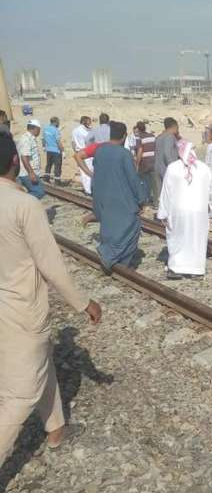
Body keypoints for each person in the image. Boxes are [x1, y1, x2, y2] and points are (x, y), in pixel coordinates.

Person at [0, 133, 102, 470]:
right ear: (15, 161)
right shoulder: (25, 205)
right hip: (21, 308)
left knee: (42, 361)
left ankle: (56, 427)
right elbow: (51, 264)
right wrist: (83, 302)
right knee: (20, 396)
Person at [157, 138, 212, 279]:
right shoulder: (204, 168)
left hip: (178, 212)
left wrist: (162, 213)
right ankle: (196, 269)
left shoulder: (172, 168)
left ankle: (176, 268)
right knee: (197, 240)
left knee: (177, 238)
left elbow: (166, 192)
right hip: (199, 213)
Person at [92, 121, 148, 272]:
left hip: (103, 197)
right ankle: (114, 259)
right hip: (123, 199)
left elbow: (95, 175)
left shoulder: (100, 151)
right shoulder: (124, 154)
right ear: (124, 136)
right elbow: (133, 179)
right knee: (132, 228)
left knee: (109, 227)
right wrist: (142, 199)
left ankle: (111, 256)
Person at [16, 118, 45, 199]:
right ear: (35, 128)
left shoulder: (31, 138)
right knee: (39, 192)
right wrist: (31, 173)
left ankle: (22, 203)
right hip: (26, 173)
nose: (39, 132)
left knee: (33, 191)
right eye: (39, 129)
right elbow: (24, 157)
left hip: (28, 172)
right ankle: (21, 203)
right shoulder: (26, 139)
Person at [154, 117, 179, 202]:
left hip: (157, 168)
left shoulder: (159, 137)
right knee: (170, 195)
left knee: (161, 194)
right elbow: (167, 153)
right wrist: (173, 167)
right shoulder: (170, 137)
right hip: (166, 169)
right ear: (174, 126)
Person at [134, 121, 157, 205]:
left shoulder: (139, 138)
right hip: (153, 161)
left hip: (145, 163)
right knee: (153, 182)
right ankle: (155, 201)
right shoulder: (152, 136)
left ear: (138, 129)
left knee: (144, 182)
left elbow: (140, 151)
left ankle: (146, 200)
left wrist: (137, 164)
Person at [72, 116, 94, 193]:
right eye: (89, 121)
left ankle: (87, 189)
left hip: (79, 152)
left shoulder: (75, 130)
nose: (90, 123)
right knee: (88, 171)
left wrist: (76, 152)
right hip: (86, 153)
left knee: (83, 171)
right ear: (85, 122)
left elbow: (73, 143)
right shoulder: (85, 131)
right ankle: (88, 190)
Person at [42, 117, 64, 183]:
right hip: (56, 151)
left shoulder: (45, 129)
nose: (59, 123)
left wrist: (44, 147)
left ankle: (46, 179)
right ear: (55, 122)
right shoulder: (56, 130)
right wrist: (63, 151)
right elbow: (58, 142)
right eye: (58, 122)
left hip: (48, 150)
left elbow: (43, 139)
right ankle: (57, 181)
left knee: (48, 165)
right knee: (57, 166)